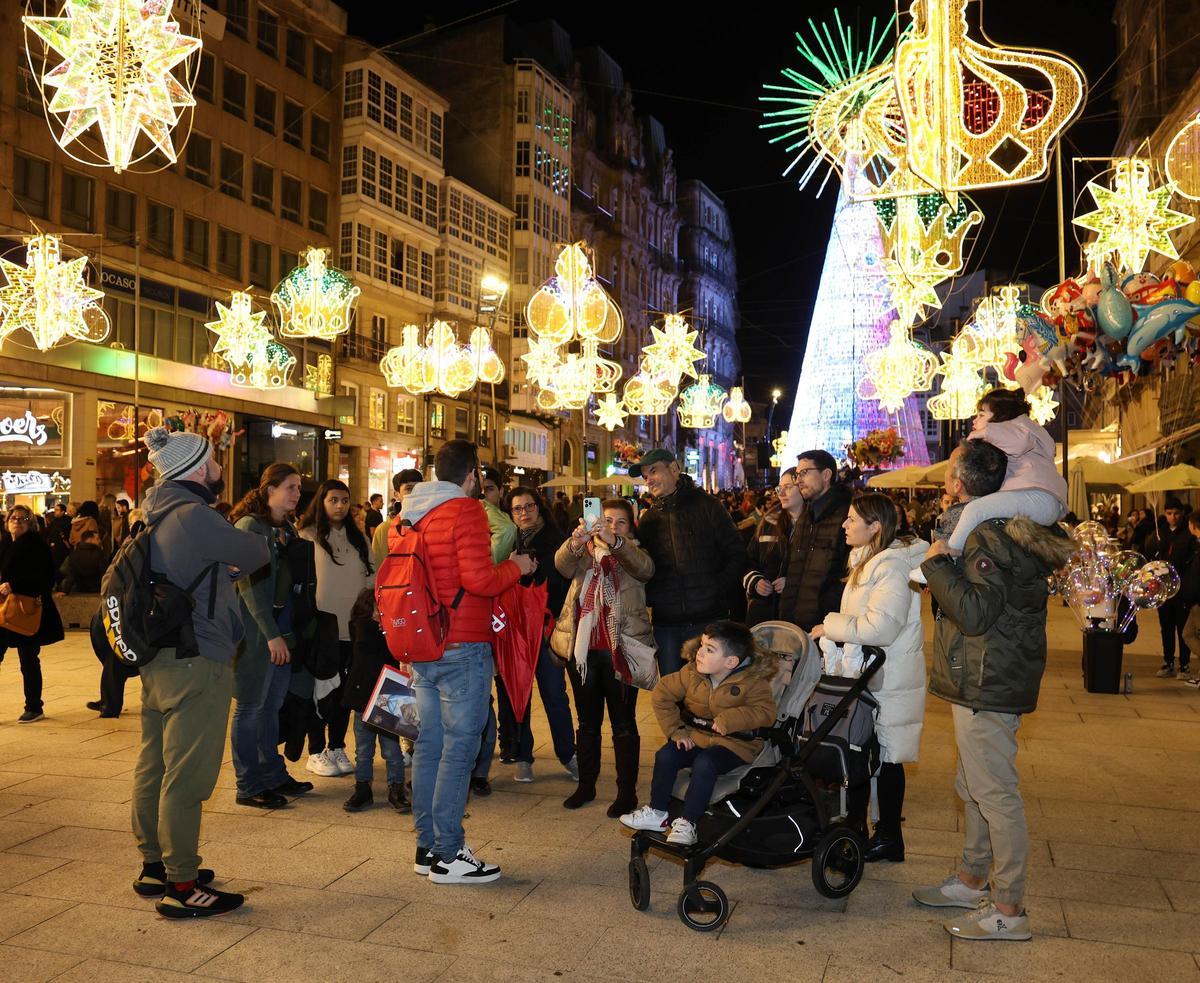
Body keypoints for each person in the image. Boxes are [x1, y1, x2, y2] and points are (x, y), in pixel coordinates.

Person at [913, 438, 1074, 942]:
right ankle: (971, 878)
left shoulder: (985, 537)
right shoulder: (998, 530)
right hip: (983, 675)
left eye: (946, 480)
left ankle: (1009, 908)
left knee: (994, 792)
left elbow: (977, 613)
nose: (943, 488)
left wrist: (938, 564)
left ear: (958, 485)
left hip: (988, 678)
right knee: (972, 786)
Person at [132, 425, 271, 918]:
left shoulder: (152, 511)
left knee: (155, 765)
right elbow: (257, 552)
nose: (219, 468)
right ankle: (183, 884)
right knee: (188, 775)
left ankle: (155, 864)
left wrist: (218, 566)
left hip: (160, 659)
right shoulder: (194, 514)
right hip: (198, 660)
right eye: (214, 461)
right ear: (196, 468)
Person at [402, 439, 534, 884]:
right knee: (460, 749)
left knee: (429, 746)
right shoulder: (465, 511)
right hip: (463, 644)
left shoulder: (413, 512)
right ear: (471, 474)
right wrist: (517, 567)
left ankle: (426, 847)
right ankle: (449, 853)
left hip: (425, 642)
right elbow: (480, 580)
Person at [811, 493, 927, 862]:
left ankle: (888, 835)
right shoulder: (868, 562)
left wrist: (829, 625)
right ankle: (858, 828)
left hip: (887, 679)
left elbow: (882, 627)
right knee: (861, 751)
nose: (845, 525)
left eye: (851, 519)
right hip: (869, 676)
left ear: (874, 527)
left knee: (886, 758)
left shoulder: (889, 567)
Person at [621, 621, 777, 846]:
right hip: (699, 736)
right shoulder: (691, 673)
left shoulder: (752, 682)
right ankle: (657, 813)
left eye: (709, 650)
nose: (699, 653)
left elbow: (765, 713)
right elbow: (662, 694)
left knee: (705, 762)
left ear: (731, 662)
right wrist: (676, 731)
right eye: (702, 645)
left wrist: (730, 719)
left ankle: (689, 823)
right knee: (666, 755)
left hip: (736, 745)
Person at [551, 498, 657, 815]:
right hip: (582, 652)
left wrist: (617, 543)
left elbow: (646, 570)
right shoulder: (584, 553)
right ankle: (586, 784)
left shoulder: (634, 554)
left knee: (623, 724)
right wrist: (575, 542)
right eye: (606, 519)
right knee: (586, 722)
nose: (611, 526)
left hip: (620, 650)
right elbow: (560, 566)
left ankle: (626, 792)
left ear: (630, 526)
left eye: (620, 521)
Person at [229, 463, 313, 809]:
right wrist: (270, 635)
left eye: (297, 488)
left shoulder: (286, 529)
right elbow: (250, 589)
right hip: (257, 633)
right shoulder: (251, 527)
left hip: (282, 631)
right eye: (290, 487)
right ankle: (248, 784)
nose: (296, 493)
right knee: (250, 707)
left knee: (270, 708)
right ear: (269, 490)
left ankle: (272, 774)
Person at [632, 449, 747, 675]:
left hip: (707, 620)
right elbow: (643, 567)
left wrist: (716, 590)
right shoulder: (649, 520)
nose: (649, 480)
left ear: (674, 469)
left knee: (708, 692)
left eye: (653, 471)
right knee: (674, 693)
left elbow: (736, 552)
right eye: (645, 476)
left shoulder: (708, 505)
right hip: (667, 624)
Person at [297, 479, 376, 780]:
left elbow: (372, 577)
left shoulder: (359, 539)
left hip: (353, 629)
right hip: (322, 630)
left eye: (344, 500)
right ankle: (316, 750)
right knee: (321, 690)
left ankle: (337, 746)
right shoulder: (306, 536)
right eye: (333, 500)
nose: (340, 506)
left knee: (346, 691)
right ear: (322, 502)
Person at [500, 486, 576, 784]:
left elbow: (563, 582)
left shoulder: (557, 540)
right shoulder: (506, 541)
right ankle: (522, 756)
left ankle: (568, 753)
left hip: (547, 628)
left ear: (539, 508)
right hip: (515, 630)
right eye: (517, 509)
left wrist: (534, 570)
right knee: (518, 694)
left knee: (554, 692)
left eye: (529, 506)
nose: (524, 513)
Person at [939, 387, 1068, 558]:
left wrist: (985, 432)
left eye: (981, 415)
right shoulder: (1022, 430)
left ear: (1000, 415)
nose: (975, 421)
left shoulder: (1019, 427)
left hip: (1037, 497)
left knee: (975, 509)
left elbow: (1020, 442)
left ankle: (949, 553)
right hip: (1042, 500)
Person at [341, 589, 409, 812]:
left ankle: (396, 787)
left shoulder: (391, 630)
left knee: (391, 749)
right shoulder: (362, 627)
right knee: (363, 748)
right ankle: (362, 788)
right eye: (380, 607)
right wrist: (387, 628)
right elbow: (366, 642)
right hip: (364, 697)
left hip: (387, 695)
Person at [472, 466, 516, 796]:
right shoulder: (474, 534)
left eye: (489, 490)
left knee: (479, 707)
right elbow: (506, 529)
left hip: (482, 630)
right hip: (466, 633)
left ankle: (478, 770)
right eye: (478, 489)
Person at [775, 449, 853, 630]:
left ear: (826, 474)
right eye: (797, 475)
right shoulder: (806, 515)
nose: (799, 480)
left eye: (805, 473)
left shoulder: (847, 514)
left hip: (827, 627)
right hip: (796, 625)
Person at [0, 504, 64, 723]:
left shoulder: (37, 546)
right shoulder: (6, 543)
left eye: (22, 518)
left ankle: (34, 707)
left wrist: (14, 584)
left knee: (28, 659)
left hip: (25, 611)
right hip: (4, 610)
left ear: (31, 523)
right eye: (12, 517)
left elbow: (47, 578)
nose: (16, 521)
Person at [743, 467, 803, 626]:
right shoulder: (768, 523)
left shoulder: (815, 526)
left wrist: (792, 583)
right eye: (779, 488)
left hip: (797, 615)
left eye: (788, 487)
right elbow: (747, 561)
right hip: (763, 613)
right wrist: (756, 582)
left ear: (803, 488)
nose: (781, 493)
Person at [1150, 499, 1197, 678]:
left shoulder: (1188, 533)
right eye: (1169, 513)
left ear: (1182, 513)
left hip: (1182, 588)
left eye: (1176, 513)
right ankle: (1168, 661)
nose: (1173, 517)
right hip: (1164, 588)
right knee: (1166, 626)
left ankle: (1184, 664)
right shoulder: (1160, 532)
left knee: (1182, 627)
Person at [370, 468, 423, 570]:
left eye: (419, 488)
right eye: (409, 489)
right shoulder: (383, 530)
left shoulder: (431, 523)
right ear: (396, 494)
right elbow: (378, 568)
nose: (415, 493)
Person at [57, 528, 106, 594]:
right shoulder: (99, 553)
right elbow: (104, 573)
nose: (99, 541)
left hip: (81, 589)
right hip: (97, 589)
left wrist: (64, 591)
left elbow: (71, 575)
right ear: (89, 540)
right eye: (97, 538)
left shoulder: (74, 554)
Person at [1182, 512, 1200, 688]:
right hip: (1194, 600)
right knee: (1188, 634)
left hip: (1198, 602)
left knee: (1190, 634)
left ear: (1193, 525)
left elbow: (1196, 577)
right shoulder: (1196, 545)